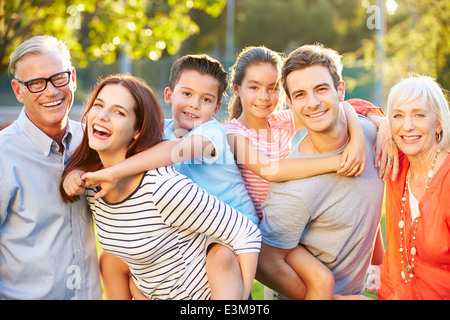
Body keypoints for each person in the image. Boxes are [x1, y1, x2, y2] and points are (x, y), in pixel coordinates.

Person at [63, 55, 258, 299]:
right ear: (169, 95)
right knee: (114, 262)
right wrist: (77, 172)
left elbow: (174, 151)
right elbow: (120, 148)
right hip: (194, 234)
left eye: (206, 99)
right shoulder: (161, 130)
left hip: (232, 237)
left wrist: (113, 173)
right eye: (187, 94)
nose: (195, 104)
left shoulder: (212, 132)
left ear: (216, 108)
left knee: (221, 258)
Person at [256, 44, 385, 299]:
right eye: (300, 94)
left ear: (340, 91)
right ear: (290, 104)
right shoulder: (293, 190)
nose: (313, 103)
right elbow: (263, 261)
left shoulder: (372, 134)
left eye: (321, 89)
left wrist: (383, 121)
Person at [224, 46, 391, 223]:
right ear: (236, 88)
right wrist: (338, 161)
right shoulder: (233, 134)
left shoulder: (280, 122)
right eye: (254, 87)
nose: (263, 96)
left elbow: (336, 107)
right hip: (256, 230)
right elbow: (269, 169)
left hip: (289, 219)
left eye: (273, 88)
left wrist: (363, 134)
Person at [0, 36, 101, 299]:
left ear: (73, 77)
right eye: (35, 83)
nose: (51, 91)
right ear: (18, 90)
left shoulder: (93, 141)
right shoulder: (3, 156)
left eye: (59, 78)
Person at [377, 75, 450, 300]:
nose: (407, 126)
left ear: (438, 122)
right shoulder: (395, 161)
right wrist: (380, 122)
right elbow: (348, 107)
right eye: (398, 116)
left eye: (419, 115)